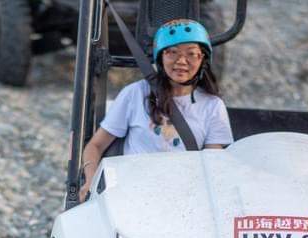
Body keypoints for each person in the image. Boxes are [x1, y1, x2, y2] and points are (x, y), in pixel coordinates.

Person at [78, 18, 234, 200]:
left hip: (184, 196)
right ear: (161, 57)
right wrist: (90, 181)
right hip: (132, 193)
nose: (181, 61)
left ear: (202, 59)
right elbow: (95, 145)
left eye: (191, 54)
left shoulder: (212, 105)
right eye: (172, 52)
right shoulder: (135, 93)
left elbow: (213, 164)